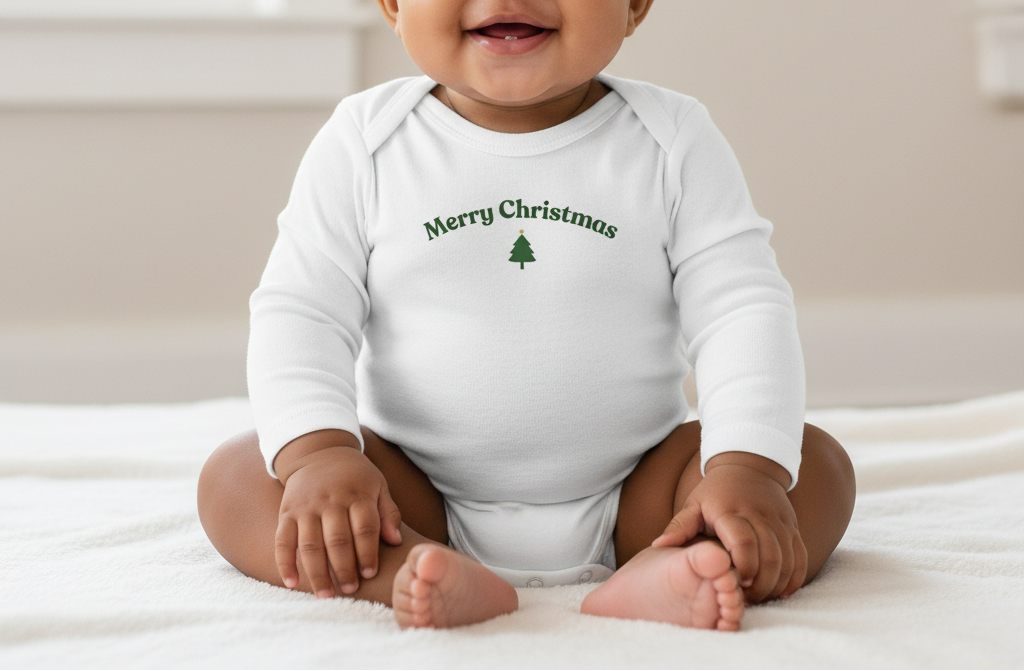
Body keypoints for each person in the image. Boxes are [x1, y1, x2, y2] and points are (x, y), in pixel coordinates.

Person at [197, 0, 856, 632]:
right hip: (410, 497)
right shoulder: (364, 142)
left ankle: (674, 562)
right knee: (236, 478)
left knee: (814, 464)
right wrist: (321, 454)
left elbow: (740, 309)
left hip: (640, 497)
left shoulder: (672, 139)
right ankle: (404, 570)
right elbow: (303, 309)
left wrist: (746, 469)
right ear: (393, 4)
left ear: (635, 4)